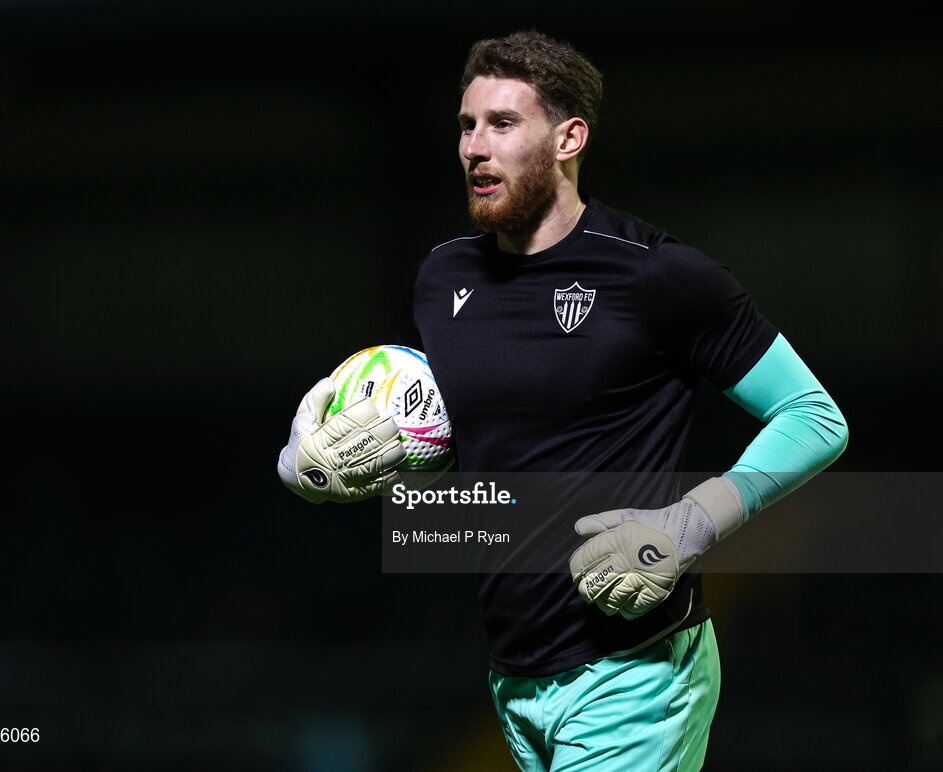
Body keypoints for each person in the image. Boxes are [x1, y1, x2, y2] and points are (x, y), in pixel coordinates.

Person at [278, 30, 848, 771]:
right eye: (466, 125)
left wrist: (688, 524)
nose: (474, 148)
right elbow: (476, 452)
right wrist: (315, 466)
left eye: (502, 124)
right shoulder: (440, 277)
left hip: (634, 671)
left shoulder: (660, 276)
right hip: (514, 676)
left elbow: (814, 417)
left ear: (568, 137)